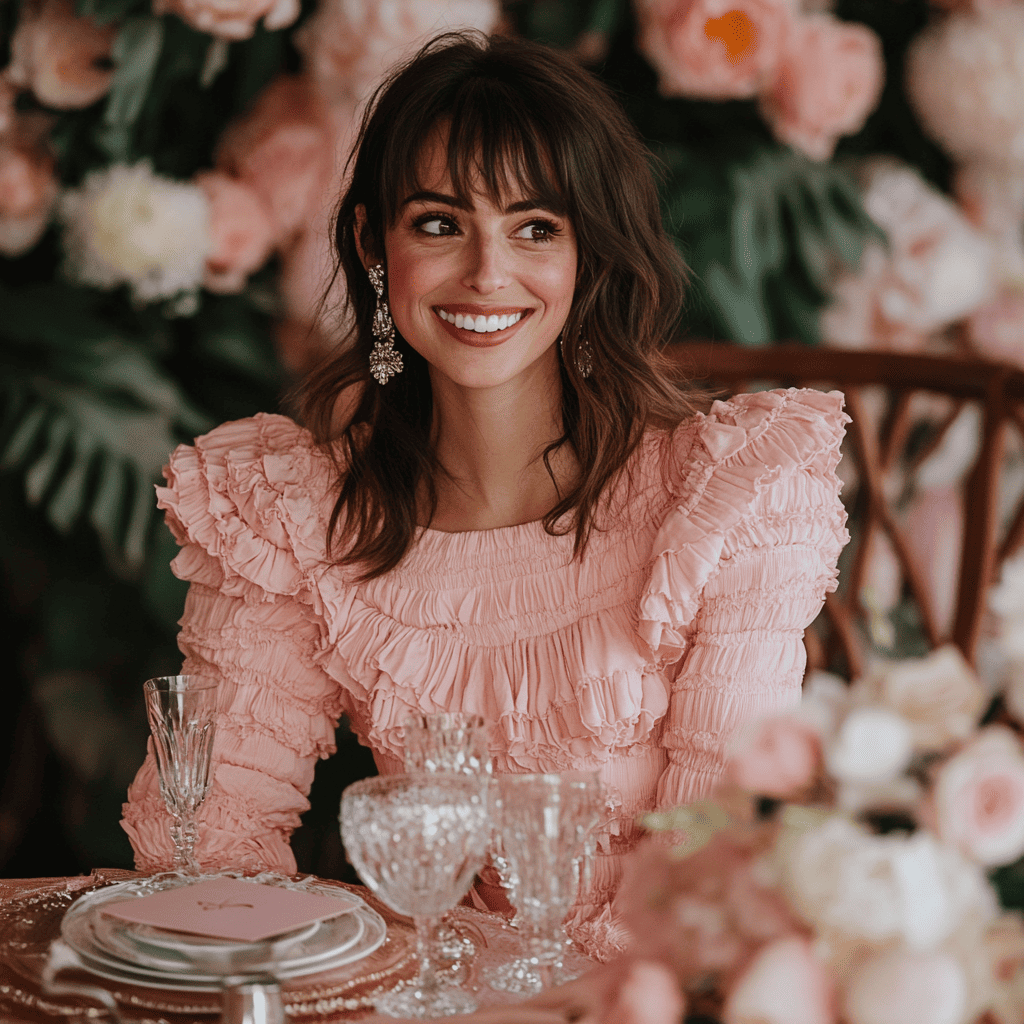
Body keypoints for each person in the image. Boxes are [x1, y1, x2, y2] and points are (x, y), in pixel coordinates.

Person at [121, 31, 849, 961]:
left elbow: (718, 874)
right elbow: (206, 841)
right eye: (438, 222)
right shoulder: (298, 510)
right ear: (370, 244)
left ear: (591, 256)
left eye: (535, 227)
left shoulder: (723, 502)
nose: (486, 273)